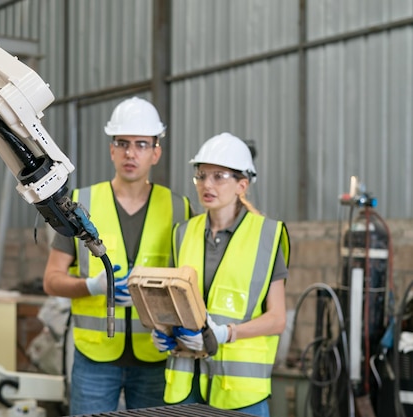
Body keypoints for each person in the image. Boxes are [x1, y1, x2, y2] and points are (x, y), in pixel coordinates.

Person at [42, 96, 193, 414]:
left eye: (141, 144)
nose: (130, 153)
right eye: (122, 143)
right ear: (111, 149)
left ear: (156, 152)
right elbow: (51, 281)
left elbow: (190, 283)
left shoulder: (179, 208)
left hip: (155, 354)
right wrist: (91, 286)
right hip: (95, 358)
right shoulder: (81, 203)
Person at [152, 132, 290, 417]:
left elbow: (277, 320)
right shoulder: (182, 233)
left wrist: (226, 334)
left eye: (219, 176)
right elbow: (174, 304)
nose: (207, 184)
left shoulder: (267, 235)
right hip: (186, 386)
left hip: (239, 393)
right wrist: (162, 330)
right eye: (201, 176)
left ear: (242, 184)